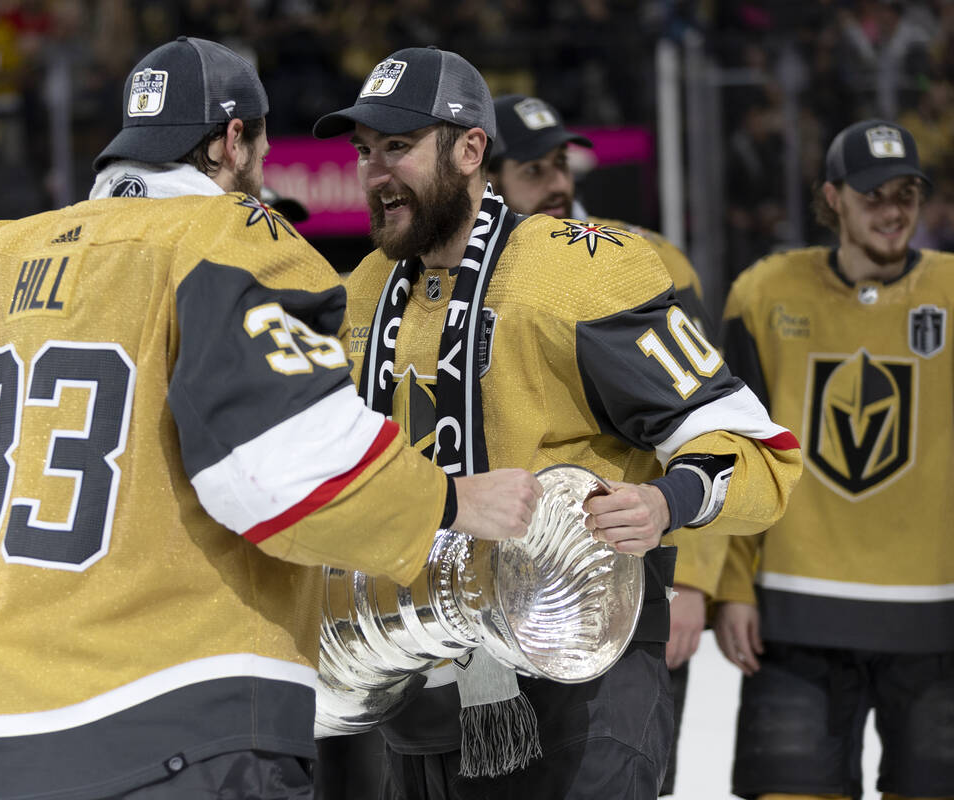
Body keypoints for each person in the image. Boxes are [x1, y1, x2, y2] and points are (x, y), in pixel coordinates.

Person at [0, 37, 540, 800]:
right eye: (263, 145)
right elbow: (287, 474)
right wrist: (451, 502)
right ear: (233, 140)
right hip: (172, 729)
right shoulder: (233, 239)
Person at [313, 46, 802, 798]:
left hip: (580, 679)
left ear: (472, 148)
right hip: (420, 684)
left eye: (399, 147)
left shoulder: (582, 273)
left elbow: (758, 452)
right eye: (366, 151)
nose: (377, 172)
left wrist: (663, 502)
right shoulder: (363, 290)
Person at [487, 92, 728, 797]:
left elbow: (713, 426)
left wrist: (694, 577)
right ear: (488, 177)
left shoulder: (645, 262)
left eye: (562, 163)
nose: (559, 183)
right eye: (535, 170)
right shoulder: (455, 285)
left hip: (619, 592)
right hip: (493, 611)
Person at [714, 119, 954, 800]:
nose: (893, 210)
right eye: (874, 194)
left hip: (936, 624)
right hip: (797, 623)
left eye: (906, 192)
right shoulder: (764, 294)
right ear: (833, 198)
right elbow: (730, 450)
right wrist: (732, 585)